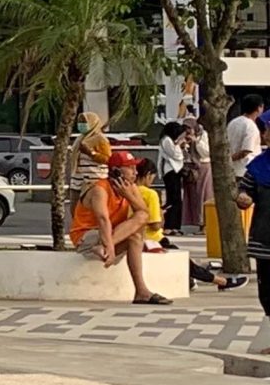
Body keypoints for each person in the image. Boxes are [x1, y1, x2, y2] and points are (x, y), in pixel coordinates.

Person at [137, 156, 250, 293]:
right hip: (154, 239)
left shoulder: (129, 190)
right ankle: (222, 281)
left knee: (185, 259)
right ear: (148, 175)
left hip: (139, 237)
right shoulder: (150, 194)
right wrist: (161, 215)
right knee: (184, 259)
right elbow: (155, 225)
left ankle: (192, 280)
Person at [73, 150, 167, 304]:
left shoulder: (130, 187)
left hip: (108, 239)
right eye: (130, 168)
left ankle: (141, 291)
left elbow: (144, 214)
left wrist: (128, 195)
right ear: (116, 170)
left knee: (137, 231)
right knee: (133, 233)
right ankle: (102, 246)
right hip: (87, 237)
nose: (135, 172)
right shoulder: (99, 189)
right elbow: (102, 219)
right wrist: (109, 246)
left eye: (135, 168)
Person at [156, 121, 189, 235]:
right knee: (173, 199)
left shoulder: (171, 141)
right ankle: (169, 225)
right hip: (170, 171)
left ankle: (175, 225)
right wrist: (179, 144)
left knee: (177, 199)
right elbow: (176, 155)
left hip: (176, 170)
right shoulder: (166, 140)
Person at [225, 97, 263, 176]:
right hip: (245, 171)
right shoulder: (251, 126)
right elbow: (246, 151)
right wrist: (230, 159)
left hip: (232, 170)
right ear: (259, 108)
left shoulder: (233, 122)